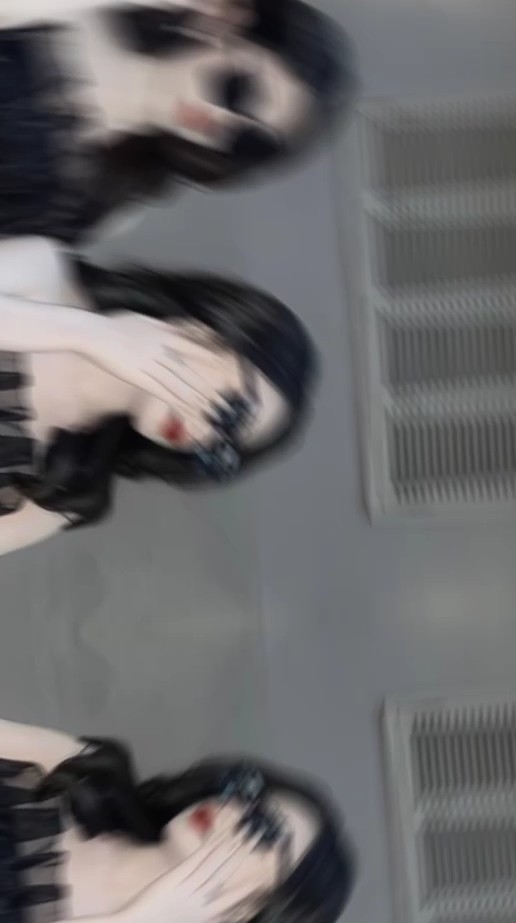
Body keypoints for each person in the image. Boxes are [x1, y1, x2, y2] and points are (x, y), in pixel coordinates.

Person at [0, 713, 354, 923]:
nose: (233, 809)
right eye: (248, 793)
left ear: (248, 912)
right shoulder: (86, 771)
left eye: (264, 829)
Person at [0, 236, 315, 558]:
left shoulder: (68, 488)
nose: (203, 435)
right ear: (207, 331)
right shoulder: (43, 275)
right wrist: (91, 334)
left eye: (222, 447)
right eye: (230, 412)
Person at [0, 0, 357, 242]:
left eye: (245, 140)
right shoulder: (78, 12)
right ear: (229, 20)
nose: (221, 119)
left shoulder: (103, 202)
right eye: (238, 91)